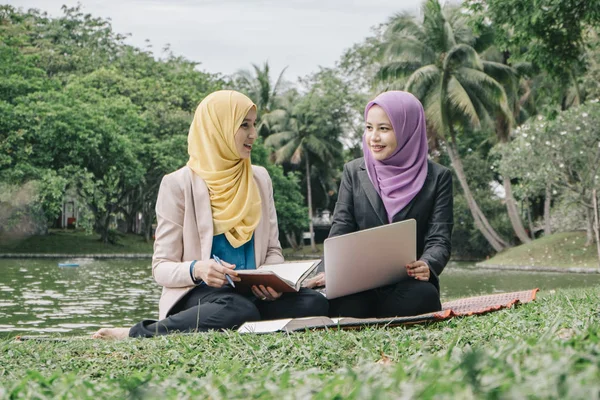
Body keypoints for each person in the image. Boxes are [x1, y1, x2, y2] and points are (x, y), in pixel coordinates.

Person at [93, 90, 328, 339]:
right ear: (218, 129)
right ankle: (137, 332)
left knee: (315, 303)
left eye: (254, 124)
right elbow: (161, 267)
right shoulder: (178, 184)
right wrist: (198, 269)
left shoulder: (259, 178)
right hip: (200, 296)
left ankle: (249, 320)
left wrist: (273, 281)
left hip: (253, 297)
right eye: (244, 125)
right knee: (235, 309)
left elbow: (272, 250)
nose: (253, 134)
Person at [306, 91, 453, 318]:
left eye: (384, 129)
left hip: (407, 283)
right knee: (341, 304)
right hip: (357, 283)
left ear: (407, 130)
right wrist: (330, 272)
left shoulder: (438, 177)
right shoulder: (354, 172)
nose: (373, 137)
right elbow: (341, 228)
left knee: (424, 297)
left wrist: (427, 263)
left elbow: (439, 237)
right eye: (369, 128)